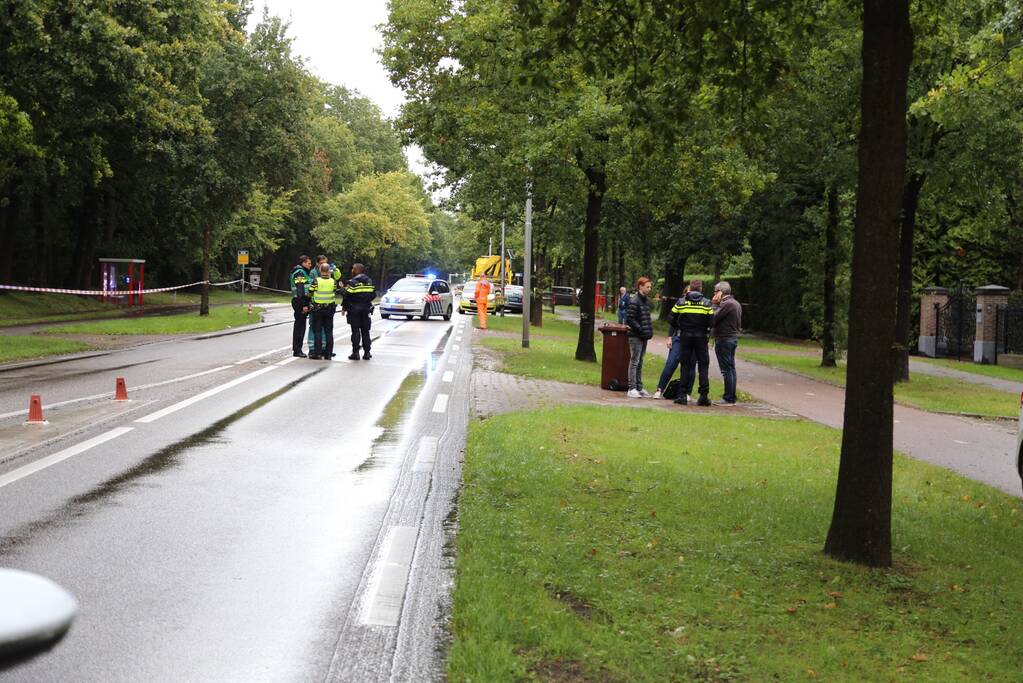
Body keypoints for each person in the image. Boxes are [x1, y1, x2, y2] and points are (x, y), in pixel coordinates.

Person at [672, 280, 714, 406]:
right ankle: (703, 396)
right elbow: (712, 323)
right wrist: (706, 331)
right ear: (701, 289)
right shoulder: (707, 303)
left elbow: (671, 317)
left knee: (685, 365)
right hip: (701, 338)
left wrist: (680, 327)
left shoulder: (681, 302)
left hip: (685, 336)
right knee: (703, 366)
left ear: (690, 288)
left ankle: (682, 395)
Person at [652, 284, 694, 400]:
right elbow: (673, 321)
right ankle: (660, 389)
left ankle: (687, 393)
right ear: (685, 293)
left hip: (693, 340)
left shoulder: (700, 305)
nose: (690, 294)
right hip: (678, 338)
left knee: (690, 366)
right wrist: (670, 336)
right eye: (688, 292)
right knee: (671, 364)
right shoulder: (680, 303)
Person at [712, 281, 742, 406]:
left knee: (726, 370)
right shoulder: (735, 303)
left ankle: (728, 397)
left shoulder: (726, 304)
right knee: (731, 368)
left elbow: (713, 317)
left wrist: (714, 305)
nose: (713, 294)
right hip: (732, 338)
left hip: (725, 339)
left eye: (715, 291)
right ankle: (731, 396)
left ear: (720, 292)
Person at [307, 255, 343, 356]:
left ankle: (322, 351)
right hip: (323, 307)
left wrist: (335, 270)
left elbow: (310, 291)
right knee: (317, 329)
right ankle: (314, 349)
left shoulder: (322, 278)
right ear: (318, 264)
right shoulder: (314, 273)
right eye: (322, 263)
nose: (325, 265)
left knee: (321, 330)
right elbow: (335, 289)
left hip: (319, 307)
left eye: (325, 263)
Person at [624, 276, 654, 398]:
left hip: (643, 336)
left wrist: (648, 331)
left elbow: (646, 318)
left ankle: (639, 387)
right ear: (640, 286)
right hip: (635, 336)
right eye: (647, 287)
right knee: (634, 361)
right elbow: (630, 319)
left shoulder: (646, 300)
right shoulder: (634, 300)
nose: (649, 289)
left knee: (640, 361)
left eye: (650, 287)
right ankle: (632, 388)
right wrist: (641, 330)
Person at [343, 263, 376, 360]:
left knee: (355, 331)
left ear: (357, 270)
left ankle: (356, 353)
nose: (351, 270)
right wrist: (366, 301)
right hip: (366, 309)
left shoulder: (353, 282)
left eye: (353, 269)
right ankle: (367, 353)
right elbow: (373, 294)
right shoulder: (369, 281)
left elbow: (346, 295)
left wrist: (345, 306)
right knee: (366, 331)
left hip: (354, 309)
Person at [289, 255, 313, 358]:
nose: (310, 265)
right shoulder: (300, 272)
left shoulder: (303, 272)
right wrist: (304, 304)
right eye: (308, 263)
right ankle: (297, 350)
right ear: (303, 263)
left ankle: (298, 348)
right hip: (300, 301)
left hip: (300, 301)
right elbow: (300, 290)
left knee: (301, 326)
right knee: (299, 326)